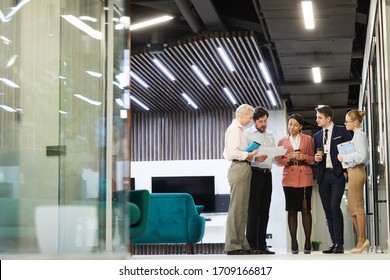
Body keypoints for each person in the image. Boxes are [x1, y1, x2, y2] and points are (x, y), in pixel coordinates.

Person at [313, 105, 352, 254]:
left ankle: (340, 244)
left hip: (337, 174)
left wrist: (346, 171)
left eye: (319, 117)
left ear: (328, 118)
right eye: (316, 117)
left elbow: (350, 151)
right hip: (323, 176)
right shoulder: (316, 136)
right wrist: (316, 159)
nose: (317, 119)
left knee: (335, 206)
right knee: (327, 210)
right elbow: (316, 156)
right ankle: (334, 242)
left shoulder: (342, 131)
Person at [275, 114, 315, 254]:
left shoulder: (308, 139)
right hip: (289, 177)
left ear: (301, 127)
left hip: (305, 175)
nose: (292, 127)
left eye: (295, 125)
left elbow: (313, 159)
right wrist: (288, 158)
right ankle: (293, 241)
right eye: (290, 124)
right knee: (291, 210)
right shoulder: (282, 141)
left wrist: (304, 157)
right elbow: (277, 161)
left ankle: (308, 241)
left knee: (305, 209)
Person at [223, 104, 258, 255]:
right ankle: (233, 245)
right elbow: (232, 153)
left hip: (244, 167)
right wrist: (249, 154)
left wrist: (252, 156)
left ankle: (242, 243)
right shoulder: (234, 129)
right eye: (250, 117)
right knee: (236, 209)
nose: (251, 121)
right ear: (242, 115)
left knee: (243, 210)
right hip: (238, 167)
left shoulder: (239, 130)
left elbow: (239, 152)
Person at [244, 106, 276, 254]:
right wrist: (255, 158)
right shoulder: (247, 134)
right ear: (255, 121)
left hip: (267, 174)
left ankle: (262, 245)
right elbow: (243, 155)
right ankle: (252, 245)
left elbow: (273, 154)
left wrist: (278, 155)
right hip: (254, 173)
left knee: (265, 211)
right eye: (261, 121)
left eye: (265, 121)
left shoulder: (270, 135)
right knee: (254, 211)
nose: (264, 124)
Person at [337, 110, 369, 253]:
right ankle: (362, 239)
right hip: (353, 171)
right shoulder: (356, 136)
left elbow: (362, 156)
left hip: (357, 170)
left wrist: (346, 157)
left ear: (355, 122)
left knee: (357, 206)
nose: (345, 124)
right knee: (352, 207)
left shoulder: (360, 135)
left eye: (347, 121)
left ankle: (362, 240)